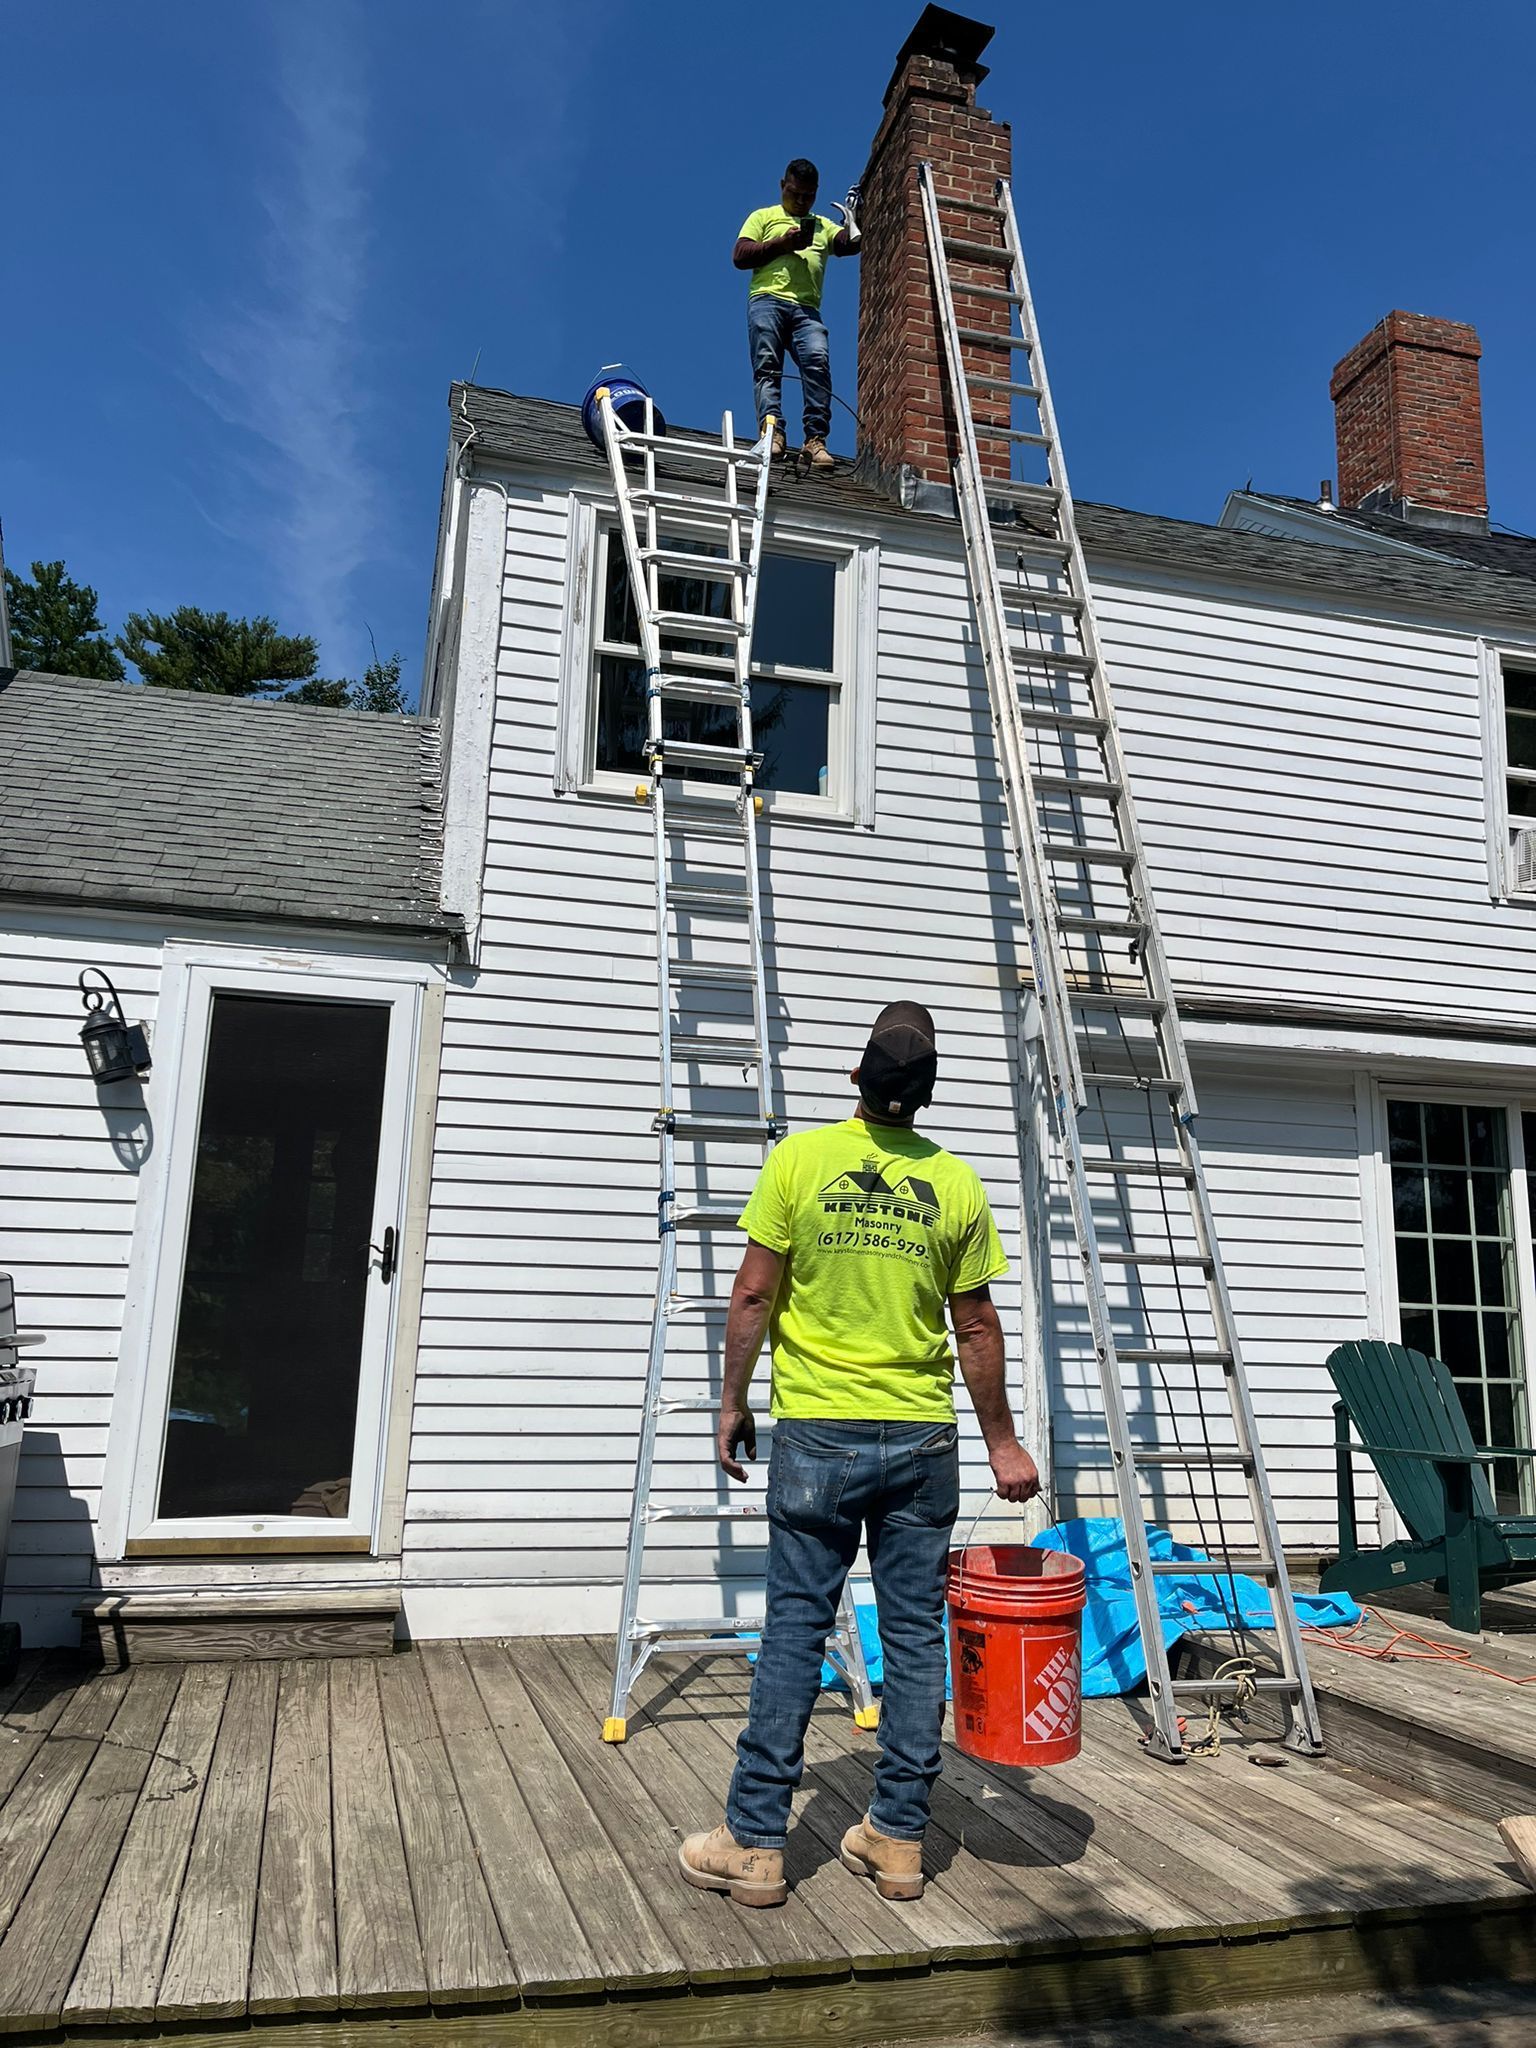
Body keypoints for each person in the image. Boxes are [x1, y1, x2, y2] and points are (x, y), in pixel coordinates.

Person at [679, 1001, 1041, 1909]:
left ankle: (756, 1843)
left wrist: (730, 1401)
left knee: (797, 1627)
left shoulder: (799, 1161)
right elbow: (977, 1324)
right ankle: (897, 1839)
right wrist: (1002, 1440)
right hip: (923, 1439)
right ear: (923, 1097)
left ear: (856, 1079)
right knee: (916, 1635)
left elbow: (754, 1297)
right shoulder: (955, 1184)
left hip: (819, 1437)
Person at [734, 158, 860, 469]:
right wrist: (782, 244)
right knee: (768, 366)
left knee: (817, 363)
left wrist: (857, 216)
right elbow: (740, 255)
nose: (801, 201)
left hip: (806, 310)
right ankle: (772, 432)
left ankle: (815, 440)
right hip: (767, 300)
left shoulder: (820, 225)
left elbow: (847, 244)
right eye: (795, 193)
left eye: (808, 196)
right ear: (782, 186)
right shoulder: (764, 217)